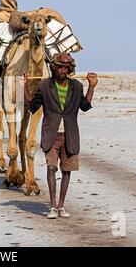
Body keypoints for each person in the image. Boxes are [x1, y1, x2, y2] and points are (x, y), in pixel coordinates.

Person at [24, 53, 98, 219]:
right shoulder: (44, 86)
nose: (63, 70)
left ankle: (61, 206)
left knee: (67, 171)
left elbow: (85, 107)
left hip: (70, 135)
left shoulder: (77, 86)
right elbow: (32, 107)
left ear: (70, 69)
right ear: (54, 68)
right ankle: (51, 206)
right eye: (60, 67)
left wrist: (91, 86)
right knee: (51, 168)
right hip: (51, 135)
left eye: (66, 67)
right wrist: (25, 86)